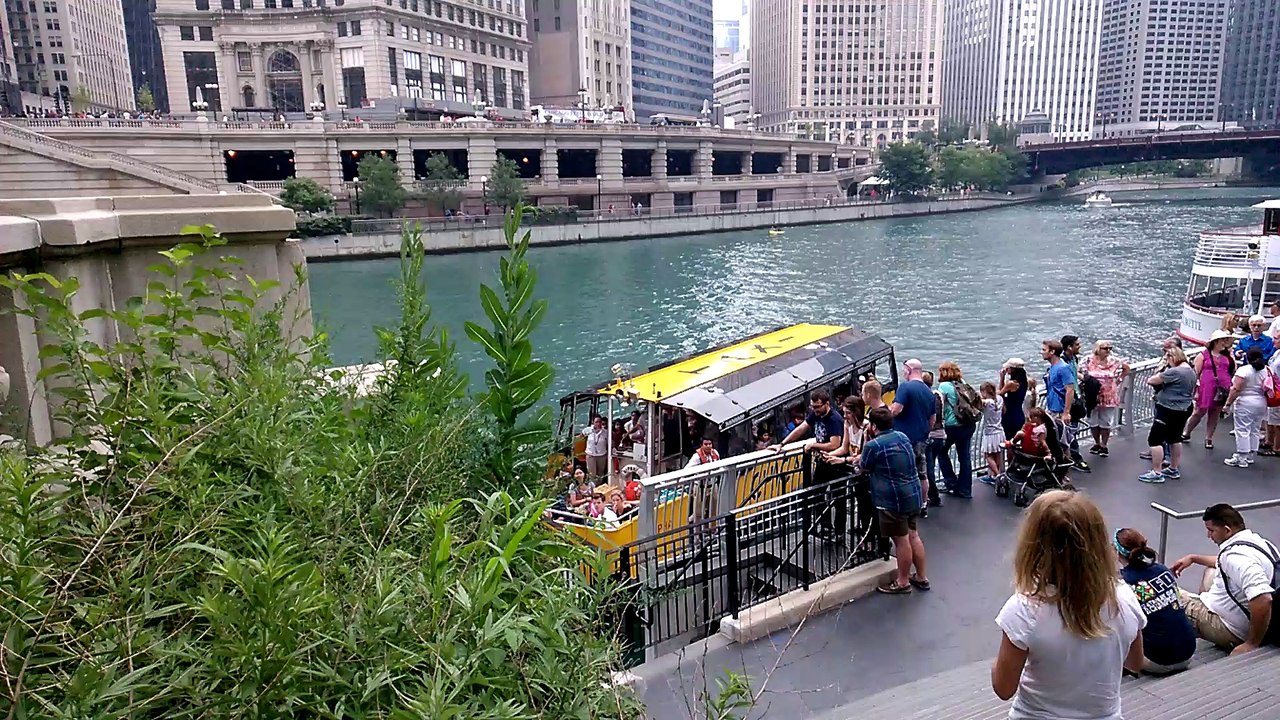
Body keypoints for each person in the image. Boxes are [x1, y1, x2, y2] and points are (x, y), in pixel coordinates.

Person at [991, 491, 1145, 717]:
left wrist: (998, 666)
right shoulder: (1124, 597)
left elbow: (1003, 689)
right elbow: (1135, 662)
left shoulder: (1024, 609)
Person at [1170, 504, 1277, 654]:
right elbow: (1224, 563)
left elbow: (1263, 599)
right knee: (1211, 571)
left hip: (1233, 630)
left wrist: (1252, 643)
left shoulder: (1236, 558)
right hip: (1245, 614)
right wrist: (1193, 558)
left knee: (1166, 594)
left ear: (1227, 530)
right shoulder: (1260, 543)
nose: (1208, 535)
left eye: (1211, 530)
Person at [859, 407, 927, 595]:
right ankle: (921, 577)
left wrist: (866, 440)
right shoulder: (902, 437)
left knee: (901, 540)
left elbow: (863, 466)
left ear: (873, 426)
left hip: (893, 500)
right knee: (913, 535)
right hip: (913, 494)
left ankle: (902, 582)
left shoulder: (873, 446)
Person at [1114, 528, 1197, 674]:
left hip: (1158, 662)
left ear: (1116, 552)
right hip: (1188, 653)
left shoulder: (1123, 584)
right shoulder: (1162, 569)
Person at [1139, 346, 1195, 483]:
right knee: (1175, 438)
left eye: (1167, 359)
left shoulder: (1175, 371)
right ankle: (1173, 468)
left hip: (1168, 409)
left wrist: (1163, 370)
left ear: (1172, 357)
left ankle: (1157, 472)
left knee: (1155, 440)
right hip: (1184, 407)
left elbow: (1152, 380)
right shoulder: (1190, 370)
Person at [891, 359, 940, 509]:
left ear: (909, 370)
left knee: (903, 473)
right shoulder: (929, 392)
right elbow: (932, 420)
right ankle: (923, 504)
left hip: (904, 439)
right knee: (921, 474)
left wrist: (884, 411)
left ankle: (905, 505)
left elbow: (896, 410)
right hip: (921, 439)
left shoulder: (905, 387)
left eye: (904, 371)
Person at [1183, 329, 1236, 450]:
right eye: (1223, 340)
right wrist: (1195, 391)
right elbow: (1196, 374)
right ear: (1216, 341)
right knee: (1199, 411)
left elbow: (1233, 370)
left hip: (1222, 388)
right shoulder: (1203, 355)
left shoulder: (1228, 356)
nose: (1224, 343)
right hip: (1206, 387)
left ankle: (1209, 438)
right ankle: (1187, 432)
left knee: (1215, 413)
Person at [936, 361, 977, 499]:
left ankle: (951, 482)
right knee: (965, 457)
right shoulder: (963, 383)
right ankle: (965, 490)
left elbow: (940, 405)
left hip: (952, 426)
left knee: (941, 452)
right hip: (967, 424)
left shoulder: (944, 386)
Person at [1080, 340, 1129, 457]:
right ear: (1098, 349)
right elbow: (1078, 372)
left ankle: (1104, 445)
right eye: (1105, 348)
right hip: (1092, 395)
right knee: (1093, 421)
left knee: (1106, 421)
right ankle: (1096, 443)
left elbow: (1126, 368)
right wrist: (1086, 381)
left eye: (1109, 348)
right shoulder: (1087, 360)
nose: (1108, 350)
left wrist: (1118, 380)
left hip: (1108, 395)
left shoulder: (1114, 361)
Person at [1223, 348, 1269, 467]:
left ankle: (1241, 456)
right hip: (1261, 402)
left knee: (1242, 429)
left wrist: (1228, 404)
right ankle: (1250, 455)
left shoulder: (1243, 370)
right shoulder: (1266, 370)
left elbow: (1236, 389)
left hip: (1245, 402)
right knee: (1255, 428)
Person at [770, 390, 845, 460]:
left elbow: (834, 445)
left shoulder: (834, 420)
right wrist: (781, 444)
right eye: (812, 406)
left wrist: (813, 445)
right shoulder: (816, 413)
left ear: (827, 404)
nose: (814, 409)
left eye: (817, 407)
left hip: (833, 459)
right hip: (822, 457)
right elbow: (801, 429)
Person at [922, 371, 947, 509]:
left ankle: (932, 496)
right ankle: (932, 495)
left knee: (928, 468)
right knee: (930, 465)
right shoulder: (938, 395)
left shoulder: (925, 397)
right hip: (940, 435)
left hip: (930, 435)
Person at [824, 396, 867, 469]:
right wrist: (829, 455)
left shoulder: (866, 427)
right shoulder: (847, 424)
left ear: (857, 413)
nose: (845, 416)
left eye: (848, 413)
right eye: (844, 413)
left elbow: (865, 456)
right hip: (853, 464)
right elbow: (844, 448)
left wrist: (844, 460)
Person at [999, 358, 1035, 441]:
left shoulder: (1011, 383)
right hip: (1018, 413)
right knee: (1016, 441)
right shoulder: (1024, 381)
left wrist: (1002, 378)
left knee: (1008, 441)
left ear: (1013, 369)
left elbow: (1000, 394)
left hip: (1009, 415)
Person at [978, 381, 1005, 482]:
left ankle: (997, 475)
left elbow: (979, 403)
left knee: (988, 455)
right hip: (1000, 431)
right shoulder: (1000, 399)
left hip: (990, 433)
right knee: (998, 454)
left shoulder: (987, 402)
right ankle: (995, 474)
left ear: (984, 391)